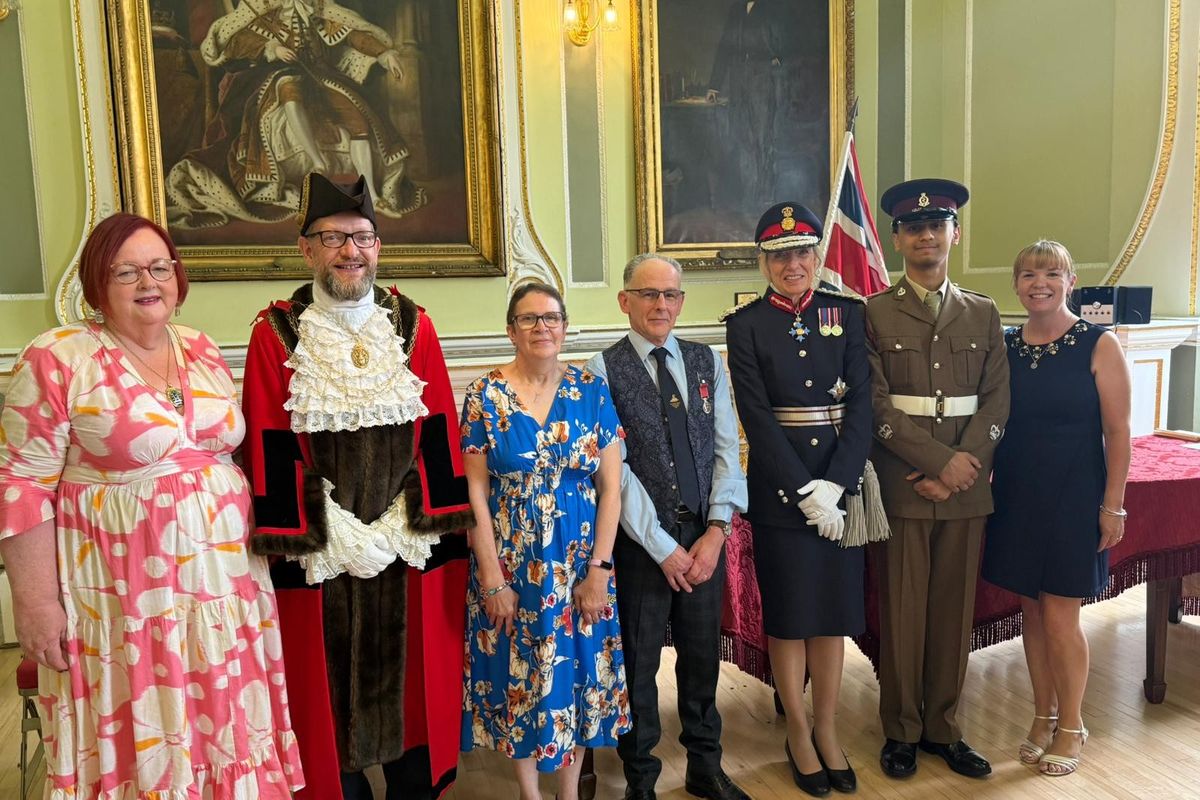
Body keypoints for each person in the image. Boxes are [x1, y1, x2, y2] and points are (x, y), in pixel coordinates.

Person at [0, 213, 304, 797]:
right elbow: (20, 486)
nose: (149, 281)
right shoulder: (60, 357)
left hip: (226, 590)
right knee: (148, 732)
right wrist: (35, 603)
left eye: (160, 266)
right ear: (96, 281)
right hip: (124, 604)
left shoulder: (201, 347)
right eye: (127, 271)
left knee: (225, 720)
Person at [239, 172, 473, 799]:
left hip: (407, 550)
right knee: (325, 704)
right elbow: (268, 441)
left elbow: (439, 433)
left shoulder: (414, 325)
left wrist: (400, 527)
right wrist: (337, 534)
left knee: (413, 708)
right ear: (306, 248)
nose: (352, 251)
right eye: (335, 237)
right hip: (322, 554)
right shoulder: (276, 333)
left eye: (364, 237)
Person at [725, 203, 886, 797]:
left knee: (834, 617)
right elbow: (757, 420)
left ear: (817, 257)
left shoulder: (847, 313)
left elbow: (862, 407)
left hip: (841, 492)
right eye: (779, 256)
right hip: (780, 494)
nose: (792, 265)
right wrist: (802, 492)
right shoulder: (744, 326)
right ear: (764, 262)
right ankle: (796, 730)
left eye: (802, 253)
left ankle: (828, 730)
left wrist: (836, 486)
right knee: (791, 618)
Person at [585, 254, 750, 800]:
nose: (661, 305)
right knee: (639, 663)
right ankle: (641, 778)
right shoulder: (600, 370)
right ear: (624, 300)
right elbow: (616, 474)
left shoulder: (707, 361)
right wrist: (661, 547)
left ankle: (706, 766)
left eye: (671, 295)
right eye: (648, 294)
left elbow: (727, 448)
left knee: (703, 662)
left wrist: (717, 531)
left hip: (704, 539)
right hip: (640, 547)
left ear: (681, 301)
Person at [460, 283, 630, 800]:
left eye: (551, 318)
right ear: (511, 330)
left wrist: (599, 569)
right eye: (529, 319)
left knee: (578, 674)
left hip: (580, 563)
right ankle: (530, 794)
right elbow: (473, 490)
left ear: (564, 325)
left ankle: (568, 791)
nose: (542, 328)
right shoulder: (484, 395)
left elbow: (611, 490)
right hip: (512, 565)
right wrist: (491, 577)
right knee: (522, 674)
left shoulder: (590, 391)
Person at [865, 178, 1009, 780]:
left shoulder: (983, 310)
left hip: (966, 487)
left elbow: (997, 403)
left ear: (954, 233)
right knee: (902, 614)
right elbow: (875, 407)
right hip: (903, 485)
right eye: (913, 227)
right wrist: (935, 464)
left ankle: (943, 727)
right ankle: (900, 729)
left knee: (953, 614)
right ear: (897, 239)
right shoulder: (872, 312)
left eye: (937, 225)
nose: (926, 235)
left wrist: (958, 471)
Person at [982, 240, 1131, 777]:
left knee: (1062, 616)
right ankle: (1042, 713)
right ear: (1016, 284)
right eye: (1026, 274)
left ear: (1070, 281)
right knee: (1032, 612)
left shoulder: (1098, 344)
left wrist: (1113, 506)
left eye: (1050, 273)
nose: (1037, 282)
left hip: (1074, 496)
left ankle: (1072, 723)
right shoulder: (1006, 345)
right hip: (1018, 494)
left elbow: (1117, 431)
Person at [167, 0, 425, 229]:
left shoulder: (319, 8)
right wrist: (271, 48)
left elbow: (353, 34)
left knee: (358, 117)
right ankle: (318, 163)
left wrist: (384, 53)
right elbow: (234, 40)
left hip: (319, 77)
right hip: (275, 75)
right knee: (289, 87)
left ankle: (372, 194)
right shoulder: (258, 7)